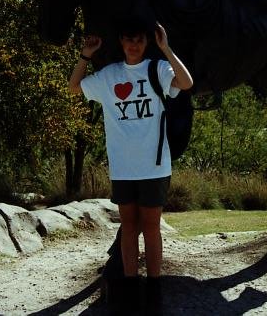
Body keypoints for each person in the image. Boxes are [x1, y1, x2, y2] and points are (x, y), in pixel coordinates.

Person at [68, 18, 193, 315]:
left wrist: (166, 48)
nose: (134, 44)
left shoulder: (157, 69)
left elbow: (186, 83)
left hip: (154, 165)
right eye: (129, 39)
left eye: (139, 39)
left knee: (150, 228)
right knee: (128, 227)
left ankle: (154, 290)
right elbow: (74, 88)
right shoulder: (109, 75)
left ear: (147, 42)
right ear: (121, 42)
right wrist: (85, 55)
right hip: (123, 167)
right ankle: (129, 286)